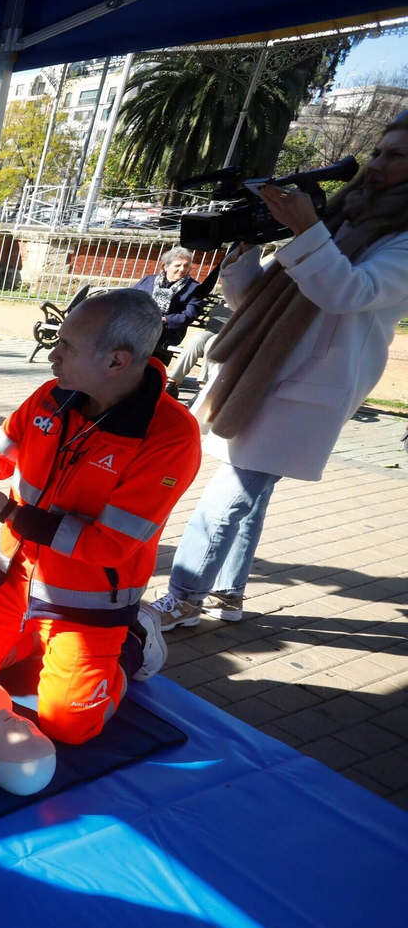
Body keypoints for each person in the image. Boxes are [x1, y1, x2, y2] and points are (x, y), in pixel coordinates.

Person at [0, 289, 197, 745]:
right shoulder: (52, 396)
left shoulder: (171, 436)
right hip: (13, 575)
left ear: (116, 362)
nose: (52, 357)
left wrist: (8, 511)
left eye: (66, 347)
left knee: (68, 729)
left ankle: (134, 643)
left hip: (88, 602)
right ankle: (46, 642)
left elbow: (108, 545)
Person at [151, 113, 408, 630]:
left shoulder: (396, 240)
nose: (378, 164)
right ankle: (226, 593)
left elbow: (346, 291)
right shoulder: (340, 222)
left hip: (309, 386)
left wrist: (308, 229)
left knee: (232, 491)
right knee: (248, 491)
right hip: (262, 374)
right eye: (379, 152)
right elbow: (255, 298)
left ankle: (181, 598)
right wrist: (244, 249)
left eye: (395, 156)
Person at [134, 245, 208, 360]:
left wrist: (164, 320)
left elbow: (189, 315)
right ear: (166, 267)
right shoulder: (149, 280)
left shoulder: (194, 288)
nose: (182, 269)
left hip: (167, 331)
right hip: (138, 324)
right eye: (178, 265)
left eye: (186, 265)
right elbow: (128, 299)